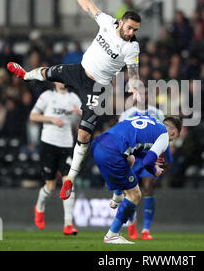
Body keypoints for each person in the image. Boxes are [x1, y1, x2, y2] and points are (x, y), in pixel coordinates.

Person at [7, 0, 142, 201]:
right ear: (121, 22)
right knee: (48, 72)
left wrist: (136, 85)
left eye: (135, 30)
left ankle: (69, 178)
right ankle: (25, 75)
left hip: (98, 87)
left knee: (84, 132)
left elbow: (133, 71)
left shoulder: (132, 47)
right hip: (80, 70)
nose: (131, 33)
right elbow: (88, 6)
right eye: (129, 28)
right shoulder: (108, 23)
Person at [91, 115, 181, 244]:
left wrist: (151, 162)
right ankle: (112, 235)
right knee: (135, 195)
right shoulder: (164, 136)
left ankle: (117, 195)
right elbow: (147, 162)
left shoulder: (151, 120)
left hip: (98, 143)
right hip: (112, 152)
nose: (170, 141)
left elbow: (137, 148)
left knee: (130, 159)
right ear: (174, 132)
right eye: (173, 138)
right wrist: (154, 170)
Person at [111, 91, 167, 240]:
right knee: (130, 191)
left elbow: (162, 136)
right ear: (134, 97)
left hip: (149, 155)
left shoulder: (158, 113)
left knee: (149, 187)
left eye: (146, 94)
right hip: (132, 156)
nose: (143, 97)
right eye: (140, 94)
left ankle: (146, 229)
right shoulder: (127, 114)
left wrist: (159, 160)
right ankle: (131, 223)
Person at [30, 82, 82, 235]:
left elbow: (84, 118)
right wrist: (51, 119)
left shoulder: (73, 98)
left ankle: (68, 224)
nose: (63, 81)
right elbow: (33, 116)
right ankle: (39, 208)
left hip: (66, 144)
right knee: (51, 186)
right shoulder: (47, 96)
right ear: (54, 81)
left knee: (68, 182)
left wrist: (80, 113)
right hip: (49, 143)